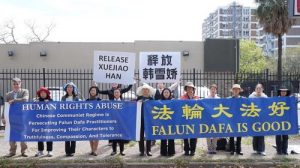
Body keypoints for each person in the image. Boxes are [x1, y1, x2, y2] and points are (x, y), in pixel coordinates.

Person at [2, 77, 29, 157]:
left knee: (23, 134)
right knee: (11, 134)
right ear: (12, 85)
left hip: (22, 116)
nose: (16, 85)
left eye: (17, 84)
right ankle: (12, 151)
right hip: (11, 117)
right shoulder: (8, 94)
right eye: (14, 84)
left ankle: (24, 151)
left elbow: (25, 100)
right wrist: (3, 117)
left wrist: (14, 100)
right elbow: (6, 106)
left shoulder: (25, 91)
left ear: (20, 84)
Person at [180, 82, 199, 156]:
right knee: (185, 135)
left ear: (193, 89)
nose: (189, 89)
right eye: (188, 88)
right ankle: (186, 150)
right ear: (186, 89)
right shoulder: (182, 97)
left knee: (193, 135)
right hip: (185, 118)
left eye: (191, 88)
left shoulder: (197, 97)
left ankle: (192, 150)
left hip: (194, 119)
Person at [34, 87, 54, 157]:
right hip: (39, 122)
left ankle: (49, 151)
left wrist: (48, 104)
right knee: (40, 136)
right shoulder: (37, 101)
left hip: (49, 121)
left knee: (49, 136)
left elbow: (54, 110)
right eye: (41, 93)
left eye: (44, 92)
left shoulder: (51, 100)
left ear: (47, 93)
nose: (42, 94)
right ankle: (40, 150)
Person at [61, 82, 79, 157]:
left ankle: (72, 151)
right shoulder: (63, 98)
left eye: (71, 87)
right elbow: (61, 107)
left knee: (73, 135)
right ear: (66, 89)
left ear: (73, 89)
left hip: (74, 118)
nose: (69, 88)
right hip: (66, 118)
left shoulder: (76, 98)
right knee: (67, 135)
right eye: (68, 87)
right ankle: (67, 151)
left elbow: (79, 108)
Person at [136, 83, 155, 156]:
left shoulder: (151, 99)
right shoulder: (139, 98)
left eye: (147, 89)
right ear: (142, 90)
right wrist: (138, 103)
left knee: (149, 135)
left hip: (149, 120)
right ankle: (141, 150)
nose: (145, 91)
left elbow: (154, 108)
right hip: (140, 119)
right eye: (144, 89)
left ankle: (148, 150)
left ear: (149, 91)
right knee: (140, 135)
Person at [249, 84, 267, 156]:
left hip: (262, 118)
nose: (258, 90)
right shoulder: (251, 97)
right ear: (255, 89)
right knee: (255, 134)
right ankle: (256, 149)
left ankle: (261, 150)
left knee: (261, 134)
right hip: (254, 118)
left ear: (262, 89)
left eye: (260, 88)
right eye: (257, 88)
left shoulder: (265, 97)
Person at [160, 88, 176, 156]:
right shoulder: (159, 101)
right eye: (165, 92)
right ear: (163, 93)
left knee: (171, 136)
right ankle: (163, 152)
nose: (166, 94)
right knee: (163, 137)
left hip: (171, 121)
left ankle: (171, 151)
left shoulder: (173, 101)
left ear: (170, 93)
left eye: (167, 92)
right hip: (163, 121)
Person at [86, 86, 101, 156]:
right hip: (89, 121)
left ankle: (95, 150)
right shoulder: (87, 101)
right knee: (90, 136)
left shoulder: (99, 100)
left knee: (96, 136)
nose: (92, 92)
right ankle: (92, 150)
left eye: (94, 90)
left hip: (97, 120)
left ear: (96, 92)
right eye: (91, 90)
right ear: (90, 92)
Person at [228, 84, 244, 155]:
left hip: (240, 119)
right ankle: (232, 150)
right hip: (231, 119)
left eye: (237, 89)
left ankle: (238, 150)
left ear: (239, 91)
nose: (236, 90)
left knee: (239, 135)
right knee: (231, 135)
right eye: (234, 89)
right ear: (232, 91)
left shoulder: (243, 99)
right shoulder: (229, 99)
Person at [276, 86, 291, 155]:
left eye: (285, 91)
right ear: (280, 92)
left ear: (286, 92)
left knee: (285, 136)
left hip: (286, 121)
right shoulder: (275, 99)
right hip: (277, 120)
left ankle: (285, 150)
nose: (283, 92)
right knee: (278, 135)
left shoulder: (289, 100)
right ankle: (279, 150)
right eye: (282, 91)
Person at [111, 89, 126, 156]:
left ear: (120, 93)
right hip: (113, 122)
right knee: (114, 137)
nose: (116, 93)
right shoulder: (110, 102)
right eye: (115, 92)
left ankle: (121, 151)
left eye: (117, 92)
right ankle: (114, 150)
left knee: (121, 137)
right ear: (113, 94)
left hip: (121, 122)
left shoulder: (124, 102)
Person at [205, 84, 220, 154]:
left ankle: (214, 148)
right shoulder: (206, 99)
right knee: (208, 133)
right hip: (208, 119)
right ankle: (209, 148)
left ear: (216, 90)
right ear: (210, 90)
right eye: (212, 89)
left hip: (216, 119)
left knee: (215, 133)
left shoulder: (219, 99)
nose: (213, 90)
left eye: (214, 89)